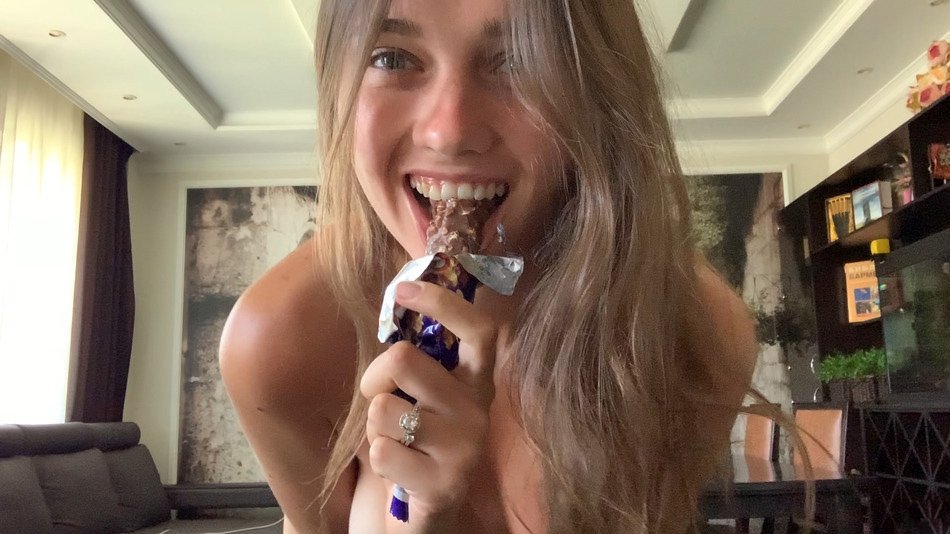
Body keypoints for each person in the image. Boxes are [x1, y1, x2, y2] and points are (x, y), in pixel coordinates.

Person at [219, 0, 759, 532]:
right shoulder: (282, 339)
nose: (449, 132)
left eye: (522, 58)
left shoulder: (694, 334)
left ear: (600, 95)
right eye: (391, 58)